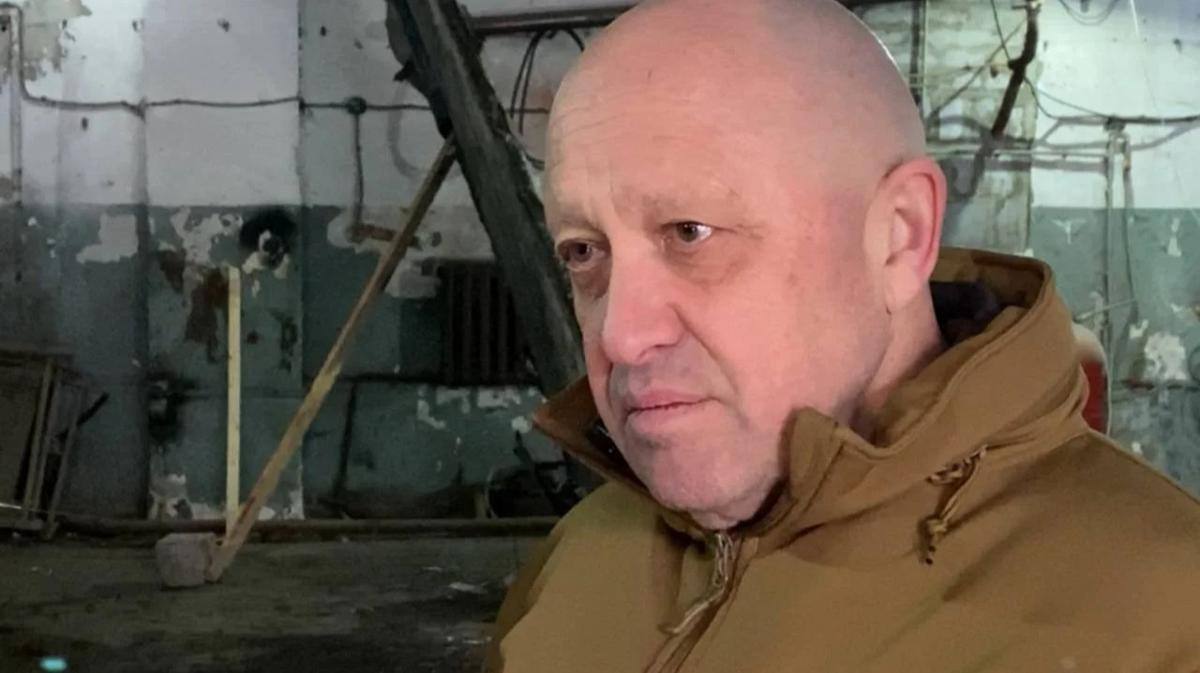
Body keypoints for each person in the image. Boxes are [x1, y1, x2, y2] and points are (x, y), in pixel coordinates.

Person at [484, 0, 1200, 670]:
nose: (623, 335)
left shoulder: (1165, 619)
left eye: (690, 232)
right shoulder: (577, 561)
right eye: (584, 251)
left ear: (898, 237)